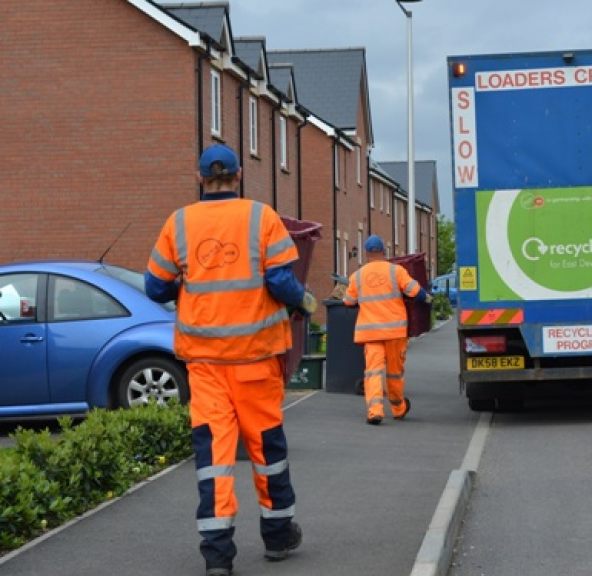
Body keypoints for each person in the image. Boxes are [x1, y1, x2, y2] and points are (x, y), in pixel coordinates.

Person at [145, 143, 317, 576]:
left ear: (200, 178)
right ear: (239, 175)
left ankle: (218, 555)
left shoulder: (179, 223)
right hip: (257, 360)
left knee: (215, 459)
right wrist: (305, 301)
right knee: (267, 450)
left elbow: (155, 286)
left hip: (205, 365)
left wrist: (190, 283)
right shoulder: (262, 217)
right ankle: (277, 536)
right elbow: (280, 281)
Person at [338, 234, 430, 425]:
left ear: (366, 253)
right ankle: (398, 408)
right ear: (383, 251)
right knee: (394, 373)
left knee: (372, 372)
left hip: (370, 333)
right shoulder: (396, 271)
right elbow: (415, 291)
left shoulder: (357, 276)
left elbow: (348, 301)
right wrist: (427, 298)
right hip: (394, 332)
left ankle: (374, 412)